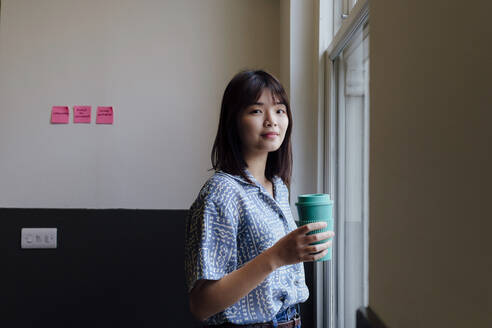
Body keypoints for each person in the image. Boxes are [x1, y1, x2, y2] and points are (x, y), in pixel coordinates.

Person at [184, 69, 334, 328]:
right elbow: (201, 305)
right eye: (256, 110)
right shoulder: (221, 192)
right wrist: (277, 255)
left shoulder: (278, 187)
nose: (271, 120)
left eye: (279, 110)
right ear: (233, 121)